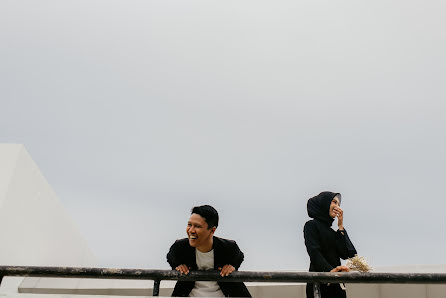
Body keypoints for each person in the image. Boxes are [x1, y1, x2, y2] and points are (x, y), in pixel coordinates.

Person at [167, 205, 251, 297]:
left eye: (197, 226)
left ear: (212, 230)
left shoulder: (228, 247)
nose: (191, 230)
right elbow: (170, 257)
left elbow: (239, 257)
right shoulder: (180, 246)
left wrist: (232, 266)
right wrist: (178, 266)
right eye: (189, 225)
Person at [303, 192, 357, 298]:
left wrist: (340, 226)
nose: (337, 206)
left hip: (336, 283)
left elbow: (349, 254)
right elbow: (314, 252)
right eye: (334, 202)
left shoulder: (333, 233)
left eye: (339, 204)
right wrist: (329, 271)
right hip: (319, 282)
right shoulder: (311, 225)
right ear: (324, 203)